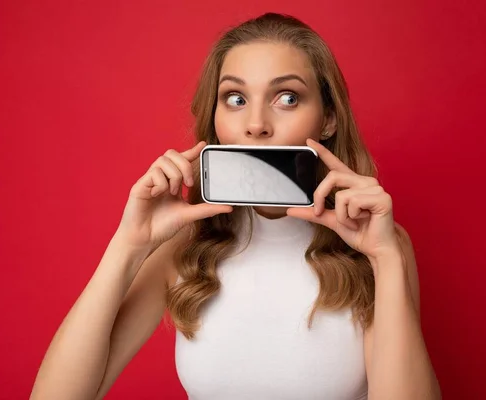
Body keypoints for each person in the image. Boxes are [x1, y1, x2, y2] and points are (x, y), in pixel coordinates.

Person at [31, 13, 441, 400]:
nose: (256, 124)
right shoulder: (183, 254)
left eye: (286, 97)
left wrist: (385, 258)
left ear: (328, 119)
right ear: (216, 120)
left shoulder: (380, 249)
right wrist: (128, 244)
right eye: (235, 98)